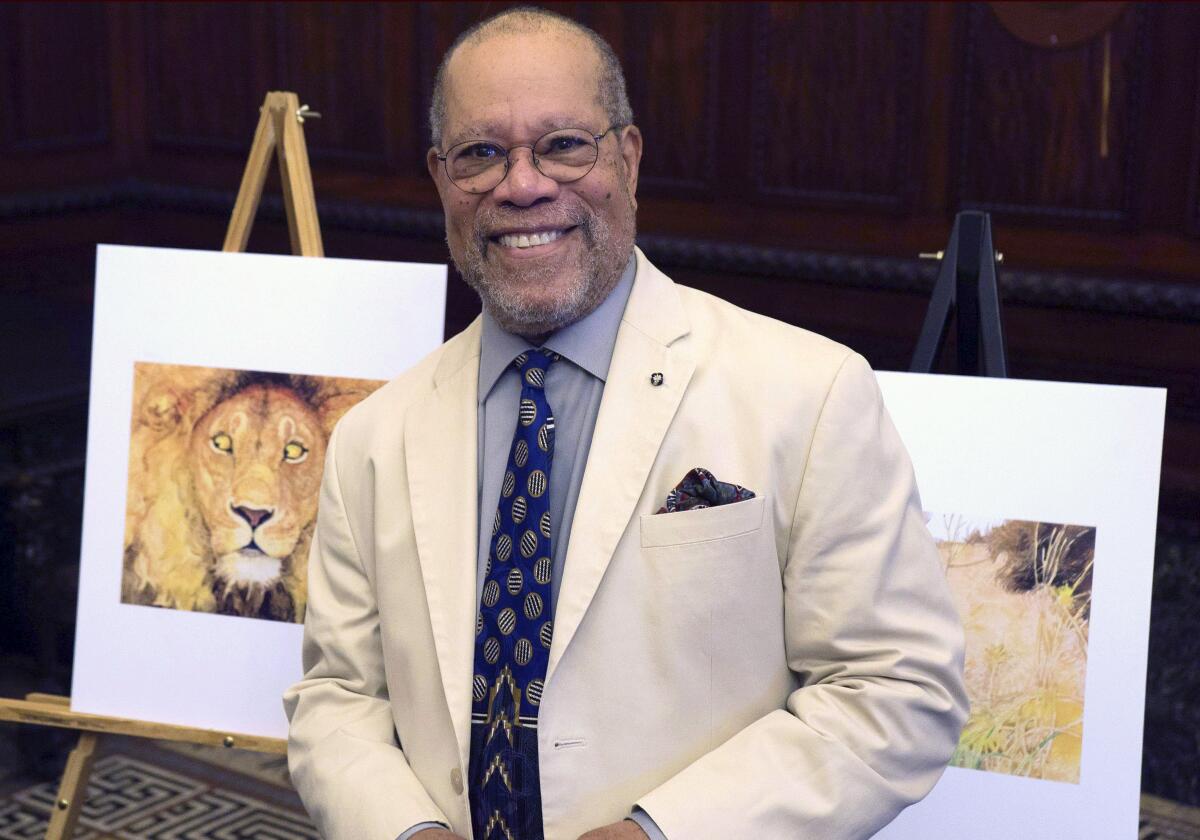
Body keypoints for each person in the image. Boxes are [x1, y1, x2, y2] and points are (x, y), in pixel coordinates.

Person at [284, 7, 967, 840]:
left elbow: (896, 690)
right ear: (441, 179)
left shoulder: (809, 391)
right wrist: (404, 832)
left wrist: (657, 835)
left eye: (564, 144)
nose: (523, 184)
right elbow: (340, 701)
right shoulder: (373, 437)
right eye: (481, 153)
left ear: (628, 159)